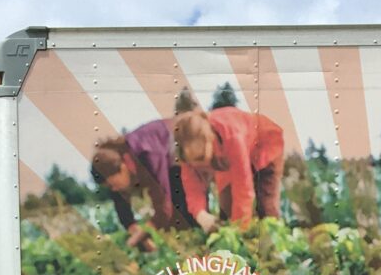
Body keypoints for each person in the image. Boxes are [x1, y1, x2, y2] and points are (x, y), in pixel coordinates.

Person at [173, 105, 285, 232]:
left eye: (201, 157)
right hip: (229, 160)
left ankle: (273, 245)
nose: (200, 166)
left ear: (210, 139)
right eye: (193, 161)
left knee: (266, 208)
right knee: (226, 212)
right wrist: (201, 215)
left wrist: (239, 231)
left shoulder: (232, 135)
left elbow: (243, 189)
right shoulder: (186, 151)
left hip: (265, 144)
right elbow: (192, 190)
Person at [90, 119, 186, 247]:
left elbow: (164, 207)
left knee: (181, 216)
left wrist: (142, 234)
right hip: (167, 161)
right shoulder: (114, 166)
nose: (113, 189)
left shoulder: (148, 157)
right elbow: (122, 208)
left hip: (179, 149)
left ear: (123, 168)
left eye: (112, 184)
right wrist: (134, 229)